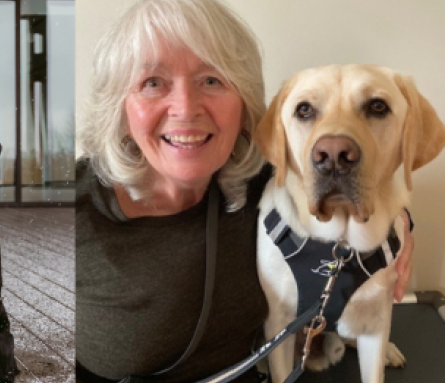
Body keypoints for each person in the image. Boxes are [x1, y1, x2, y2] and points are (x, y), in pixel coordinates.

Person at [75, 0, 414, 382]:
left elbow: (346, 175)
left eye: (211, 80)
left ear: (243, 105)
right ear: (118, 107)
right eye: (153, 82)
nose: (186, 109)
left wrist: (400, 224)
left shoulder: (263, 176)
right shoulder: (68, 210)